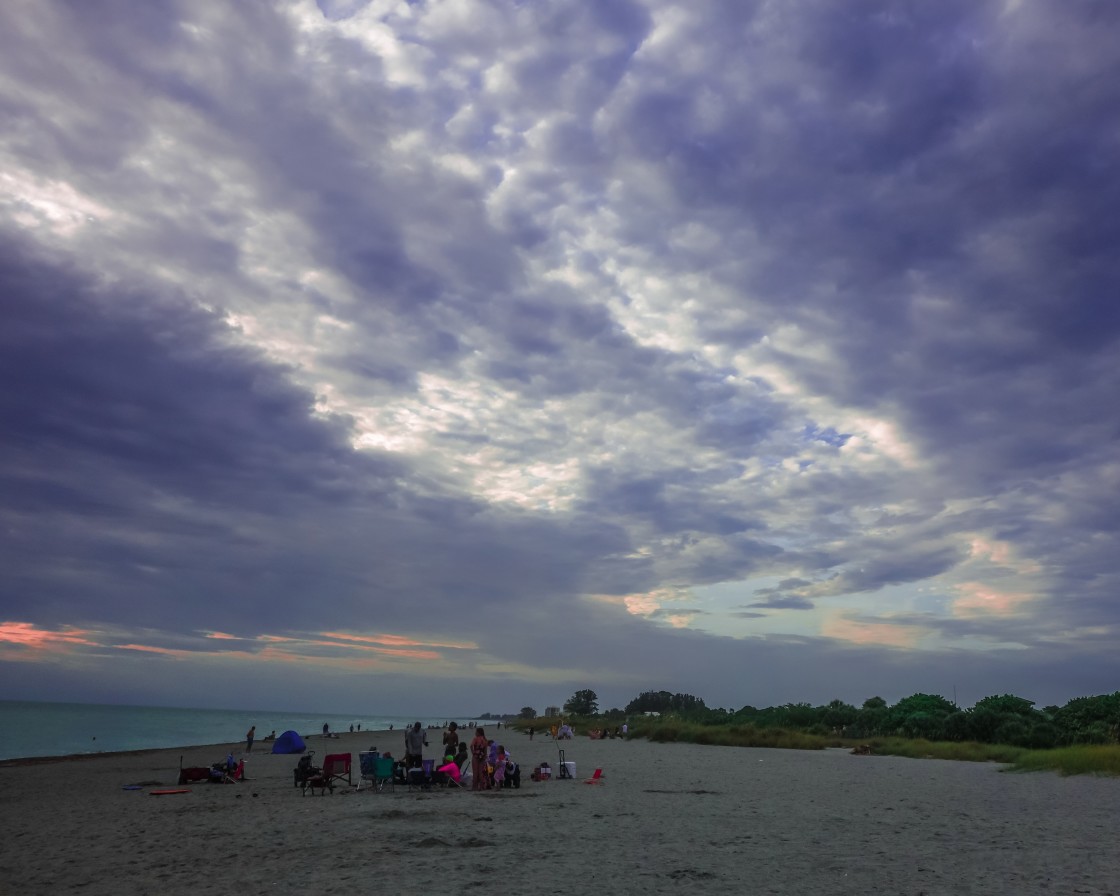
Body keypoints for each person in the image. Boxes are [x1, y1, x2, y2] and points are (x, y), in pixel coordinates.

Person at [469, 727, 488, 791]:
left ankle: (474, 787)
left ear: (478, 732)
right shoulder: (485, 740)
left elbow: (471, 746)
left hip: (476, 756)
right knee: (481, 772)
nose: (475, 733)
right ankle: (481, 787)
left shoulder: (475, 739)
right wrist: (484, 757)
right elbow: (485, 750)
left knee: (475, 772)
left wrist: (473, 753)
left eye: (476, 732)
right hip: (482, 756)